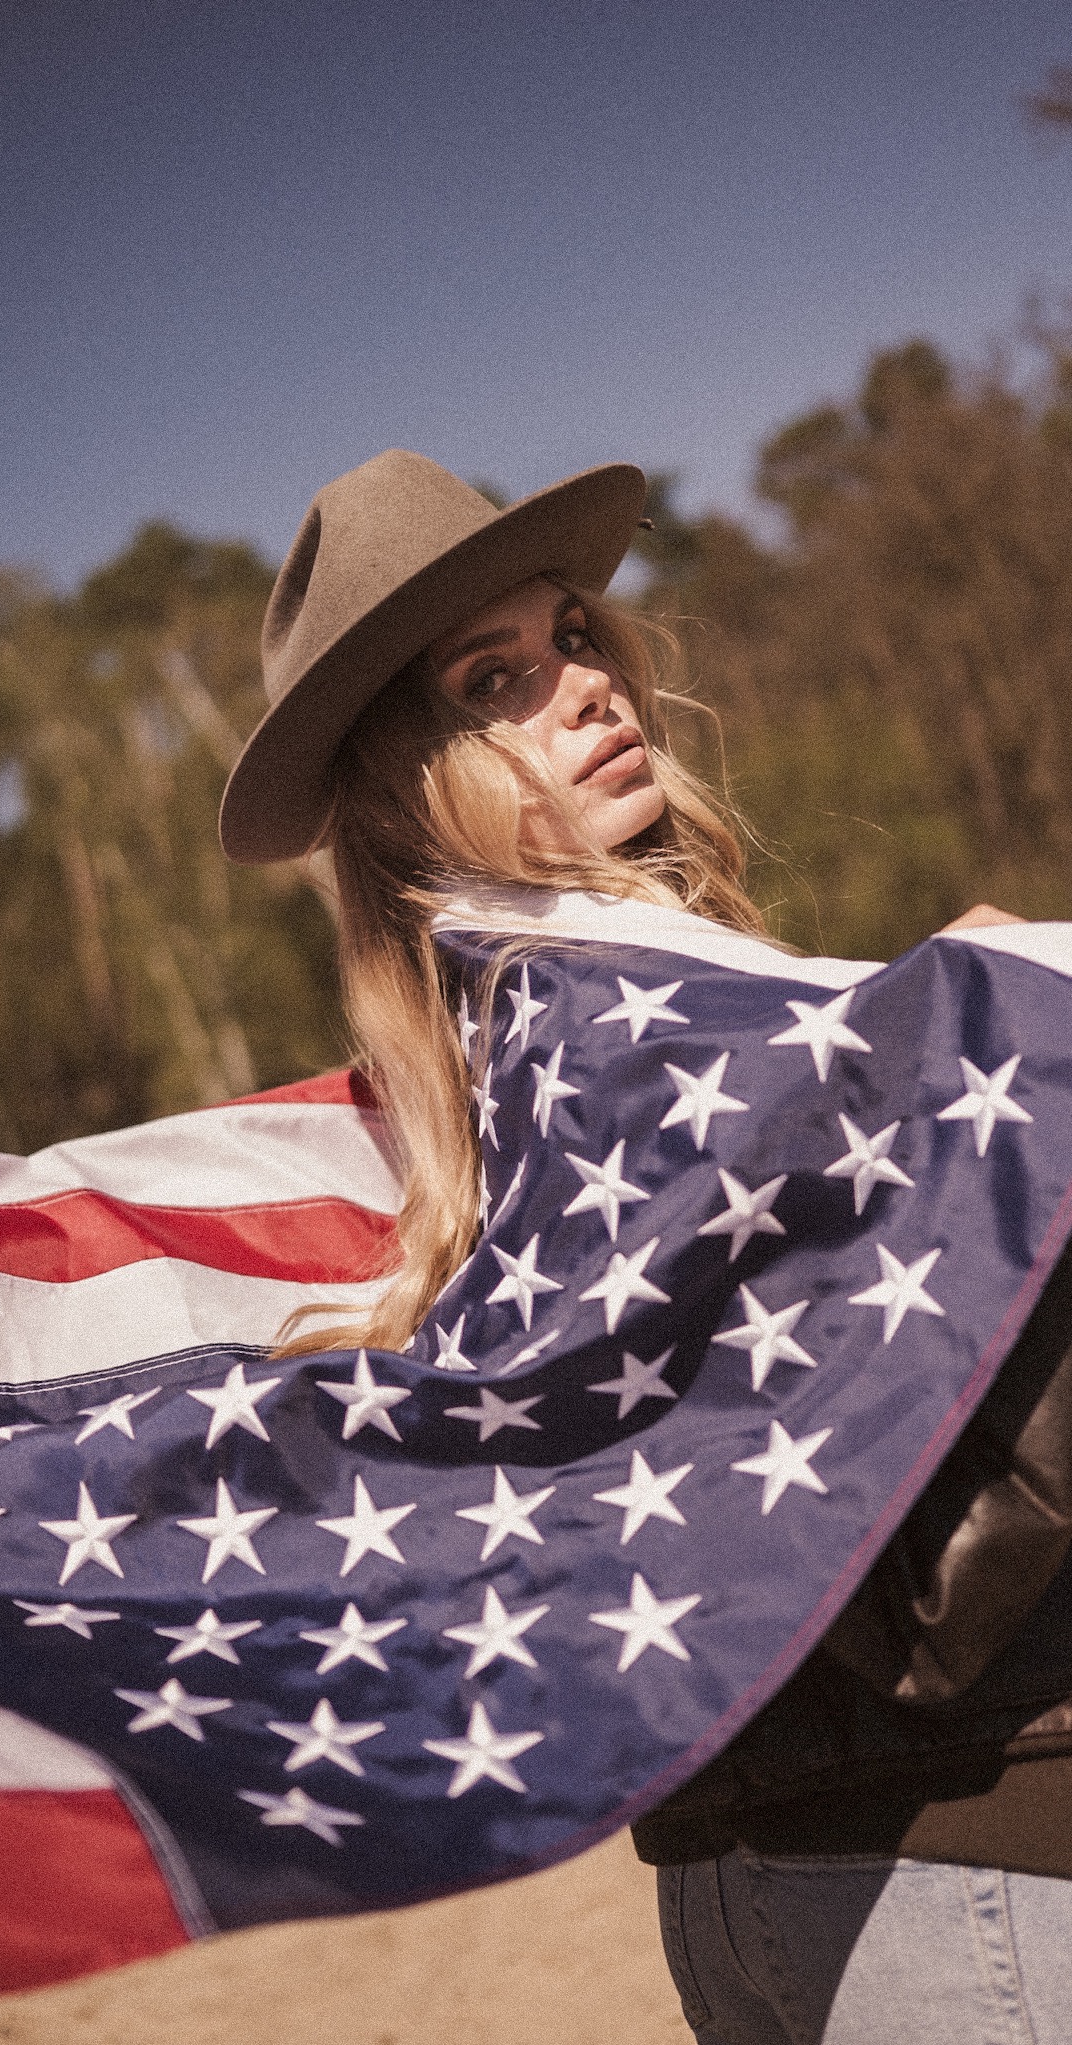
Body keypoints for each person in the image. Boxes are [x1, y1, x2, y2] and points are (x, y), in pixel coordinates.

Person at [217, 449, 1072, 2043]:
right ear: (407, 781)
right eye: (499, 679)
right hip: (964, 1857)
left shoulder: (500, 1084)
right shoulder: (623, 1030)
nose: (588, 691)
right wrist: (1005, 1048)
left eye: (577, 636)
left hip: (743, 1894)